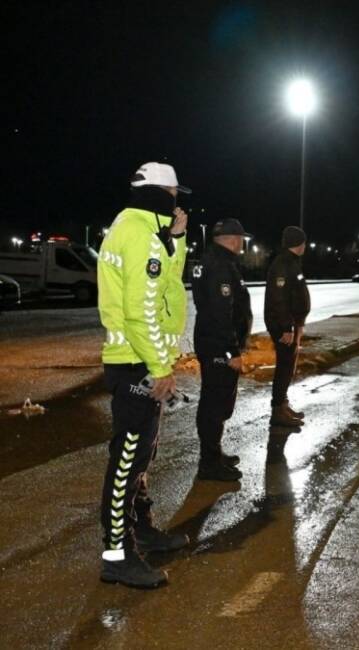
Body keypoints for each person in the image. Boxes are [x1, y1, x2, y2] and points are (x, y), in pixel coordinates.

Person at [96, 162, 191, 588]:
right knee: (127, 459)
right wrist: (159, 368)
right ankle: (116, 554)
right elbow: (140, 311)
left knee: (142, 455)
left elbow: (169, 285)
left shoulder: (142, 230)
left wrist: (178, 241)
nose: (178, 203)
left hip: (140, 358)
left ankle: (143, 528)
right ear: (161, 194)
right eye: (174, 195)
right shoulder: (138, 233)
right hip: (136, 360)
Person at [191, 218, 253, 481]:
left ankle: (214, 454)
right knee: (215, 405)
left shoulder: (214, 261)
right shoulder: (220, 267)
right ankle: (209, 463)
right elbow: (220, 313)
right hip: (219, 347)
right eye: (241, 240)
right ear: (233, 239)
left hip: (213, 343)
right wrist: (232, 352)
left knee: (216, 403)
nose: (243, 244)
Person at [264, 226, 311, 427]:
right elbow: (279, 299)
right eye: (304, 242)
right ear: (299, 244)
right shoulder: (283, 264)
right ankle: (278, 410)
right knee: (284, 367)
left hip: (292, 323)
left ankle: (283, 404)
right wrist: (286, 327)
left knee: (288, 366)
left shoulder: (292, 262)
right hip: (284, 326)